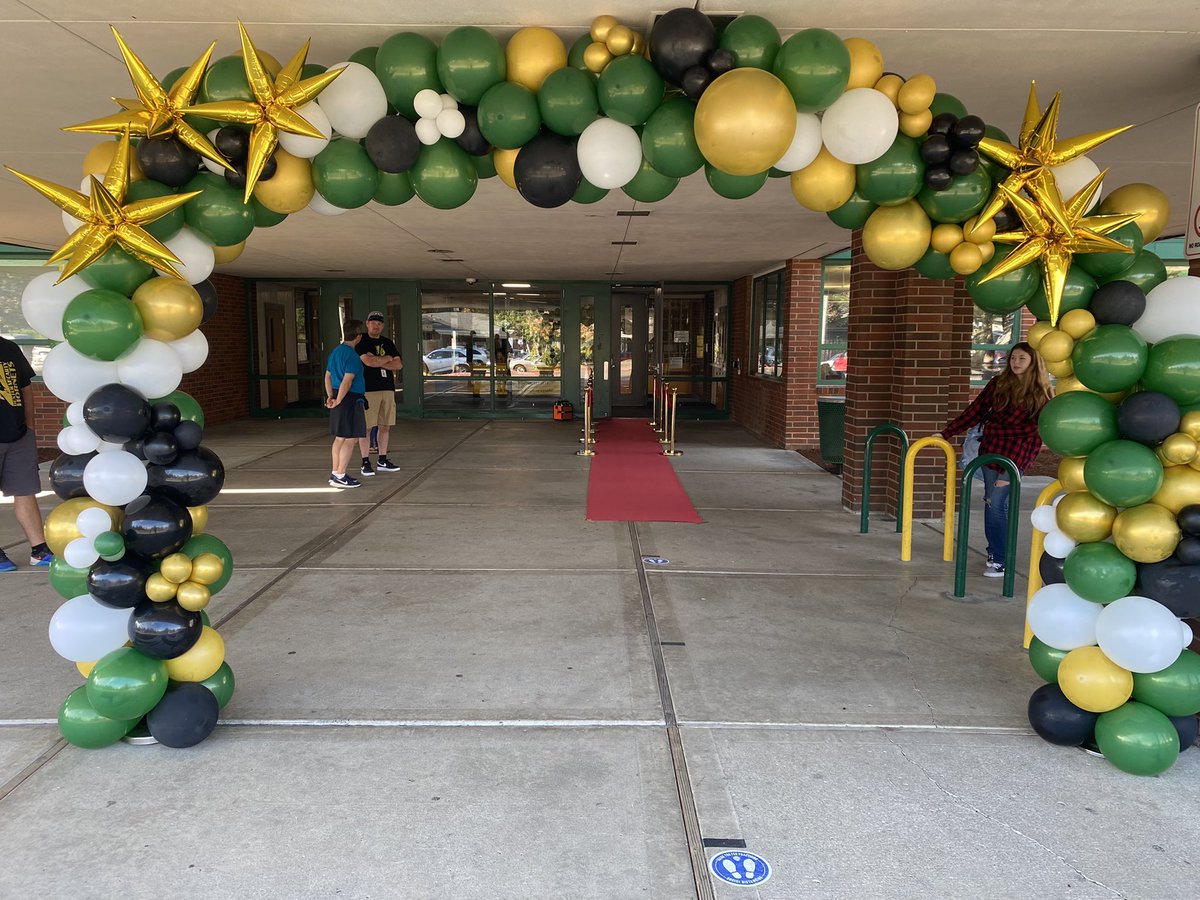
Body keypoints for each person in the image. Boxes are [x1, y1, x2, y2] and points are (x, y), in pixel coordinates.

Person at [940, 341, 1053, 579]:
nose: (1015, 363)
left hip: (1018, 452)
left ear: (1033, 362)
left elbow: (1037, 432)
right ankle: (996, 554)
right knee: (993, 502)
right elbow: (975, 411)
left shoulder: (1041, 393)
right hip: (993, 449)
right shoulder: (998, 384)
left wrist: (1022, 463)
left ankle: (1000, 559)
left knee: (998, 503)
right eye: (1013, 358)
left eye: (1022, 359)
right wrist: (946, 433)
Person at [0, 336, 53, 572]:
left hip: (18, 435)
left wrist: (29, 427)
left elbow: (25, 387)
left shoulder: (8, 347)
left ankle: (39, 550)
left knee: (25, 491)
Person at [356, 311, 402, 476]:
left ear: (383, 325)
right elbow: (367, 361)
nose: (376, 325)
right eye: (373, 322)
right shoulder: (361, 340)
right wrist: (387, 359)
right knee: (367, 427)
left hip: (387, 389)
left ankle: (382, 459)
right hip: (368, 389)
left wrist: (378, 361)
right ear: (367, 323)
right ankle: (365, 462)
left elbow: (398, 365)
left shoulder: (387, 342)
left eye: (379, 323)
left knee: (385, 426)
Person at [325, 319, 366, 489]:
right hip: (349, 399)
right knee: (351, 439)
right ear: (358, 336)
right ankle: (341, 474)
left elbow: (327, 376)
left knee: (340, 438)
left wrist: (331, 397)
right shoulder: (353, 356)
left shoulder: (335, 352)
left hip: (336, 396)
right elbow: (347, 382)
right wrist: (339, 400)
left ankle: (336, 473)